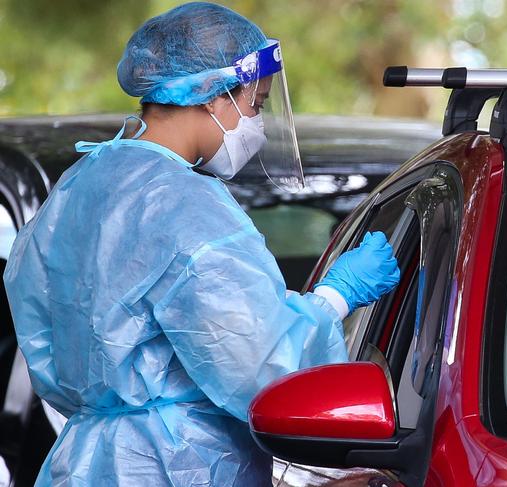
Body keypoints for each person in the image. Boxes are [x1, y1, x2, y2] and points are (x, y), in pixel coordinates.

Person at [2, 3, 400, 486]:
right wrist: (334, 298)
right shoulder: (183, 206)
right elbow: (255, 359)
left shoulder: (80, 185)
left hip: (84, 463)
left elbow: (45, 332)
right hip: (178, 466)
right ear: (213, 95)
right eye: (255, 105)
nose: (255, 122)